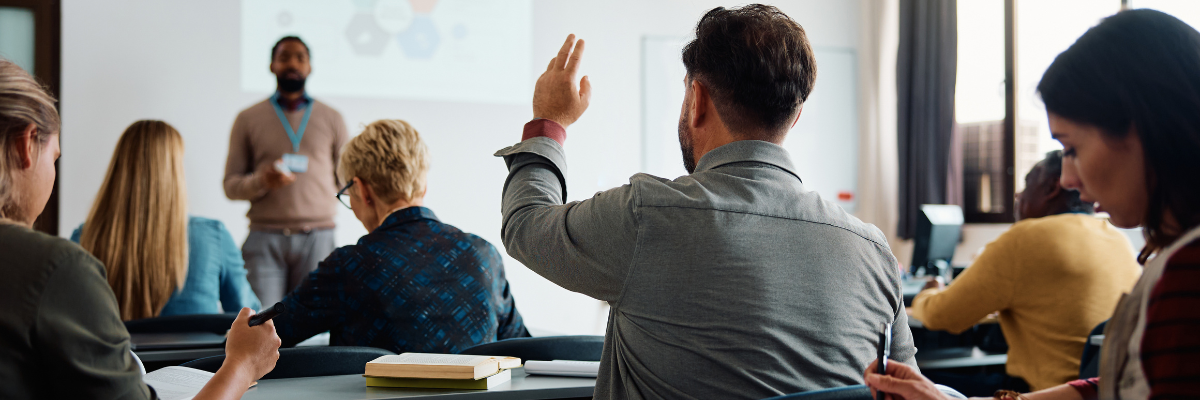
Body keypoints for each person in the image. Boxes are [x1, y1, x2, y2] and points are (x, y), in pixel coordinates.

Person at [494, 5, 916, 399]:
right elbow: (908, 389)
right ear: (796, 115)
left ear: (697, 100)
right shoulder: (875, 254)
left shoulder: (648, 218)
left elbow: (526, 223)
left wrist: (549, 123)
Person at [864, 9, 1200, 400]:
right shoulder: (1135, 245)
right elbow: (1118, 387)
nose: (1069, 179)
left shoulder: (1186, 273)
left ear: (1144, 126)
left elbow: (944, 316)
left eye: (1072, 148)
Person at [0, 59, 279, 399]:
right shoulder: (58, 267)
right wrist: (244, 364)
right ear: (25, 145)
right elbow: (249, 318)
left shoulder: (83, 238)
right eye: (55, 158)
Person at [271, 119, 529, 354]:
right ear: (423, 184)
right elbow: (522, 347)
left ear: (362, 190)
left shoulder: (349, 266)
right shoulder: (484, 255)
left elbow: (266, 336)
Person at [908, 150, 1141, 395]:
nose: (1019, 194)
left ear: (1052, 187)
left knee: (915, 375)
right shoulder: (1118, 239)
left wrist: (927, 293)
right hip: (1102, 390)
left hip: (1041, 392)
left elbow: (943, 317)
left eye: (1027, 183)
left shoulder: (1026, 238)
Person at [70, 120, 261, 320]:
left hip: (116, 353)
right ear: (175, 172)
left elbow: (69, 316)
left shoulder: (84, 239)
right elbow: (250, 316)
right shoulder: (214, 236)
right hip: (197, 353)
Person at [223, 36, 350, 306]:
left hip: (318, 237)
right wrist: (261, 181)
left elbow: (348, 181)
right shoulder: (248, 118)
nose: (292, 63)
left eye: (300, 57)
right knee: (261, 325)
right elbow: (230, 186)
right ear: (272, 65)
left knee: (315, 331)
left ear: (310, 67)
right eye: (284, 57)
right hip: (265, 239)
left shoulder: (332, 118)